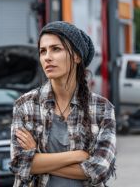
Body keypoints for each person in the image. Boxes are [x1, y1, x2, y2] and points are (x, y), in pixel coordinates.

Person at [10, 21, 116, 187]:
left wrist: (38, 159)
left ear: (76, 56)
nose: (47, 57)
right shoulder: (25, 105)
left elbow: (99, 169)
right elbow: (19, 164)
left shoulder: (102, 108)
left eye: (56, 49)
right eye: (42, 51)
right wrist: (78, 155)